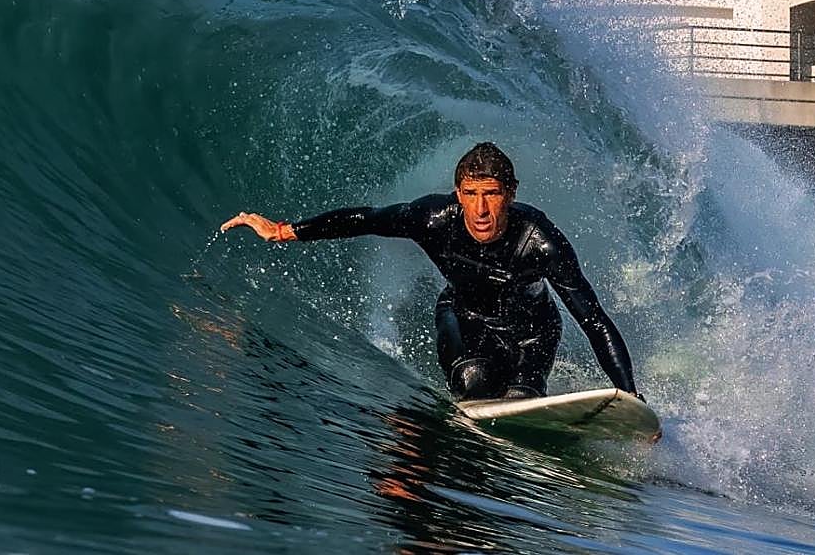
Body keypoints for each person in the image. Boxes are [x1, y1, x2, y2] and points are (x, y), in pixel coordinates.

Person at [221, 142, 641, 402]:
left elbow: (592, 319)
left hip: (533, 331)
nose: (480, 210)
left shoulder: (540, 241)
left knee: (522, 394)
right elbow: (368, 219)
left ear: (510, 194)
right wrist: (285, 231)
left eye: (491, 195)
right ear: (458, 193)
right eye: (471, 194)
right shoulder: (433, 219)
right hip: (464, 315)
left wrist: (628, 394)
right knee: (472, 381)